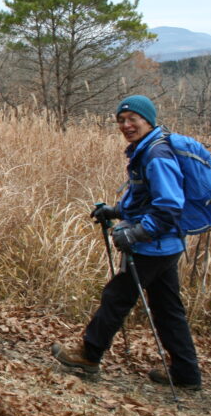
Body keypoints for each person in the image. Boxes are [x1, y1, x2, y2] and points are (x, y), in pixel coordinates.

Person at [53, 95, 202, 391]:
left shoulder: (156, 155)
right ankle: (187, 373)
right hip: (167, 245)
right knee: (167, 307)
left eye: (133, 118)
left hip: (153, 245)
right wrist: (115, 211)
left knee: (117, 297)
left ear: (149, 120)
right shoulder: (147, 150)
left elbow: (169, 207)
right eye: (121, 120)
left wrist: (135, 233)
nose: (126, 125)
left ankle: (89, 355)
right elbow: (146, 199)